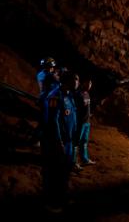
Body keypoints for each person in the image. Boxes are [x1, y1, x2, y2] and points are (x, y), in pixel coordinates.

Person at [41, 71, 78, 212]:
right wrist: (58, 141)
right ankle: (51, 202)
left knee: (65, 172)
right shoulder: (55, 96)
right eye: (74, 79)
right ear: (66, 81)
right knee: (53, 172)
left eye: (77, 80)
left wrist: (73, 138)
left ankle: (62, 198)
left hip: (68, 141)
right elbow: (52, 120)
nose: (76, 82)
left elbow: (72, 117)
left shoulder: (69, 95)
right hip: (57, 142)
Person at [73, 78, 96, 170]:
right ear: (82, 83)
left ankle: (84, 159)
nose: (89, 85)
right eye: (87, 83)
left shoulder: (87, 94)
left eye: (90, 83)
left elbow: (86, 107)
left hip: (87, 122)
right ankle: (73, 162)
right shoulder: (78, 94)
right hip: (80, 123)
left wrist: (89, 115)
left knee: (84, 142)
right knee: (76, 143)